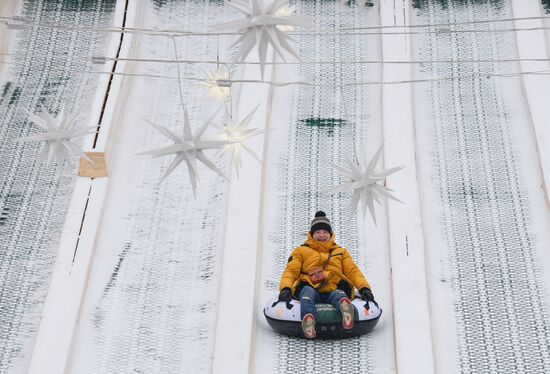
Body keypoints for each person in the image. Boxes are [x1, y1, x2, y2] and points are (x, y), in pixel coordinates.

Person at [278, 211, 376, 339]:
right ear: (311, 235)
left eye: (325, 232)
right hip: (310, 286)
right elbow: (291, 271)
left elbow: (353, 271)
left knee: (338, 293)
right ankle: (308, 320)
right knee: (306, 293)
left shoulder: (340, 252)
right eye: (317, 232)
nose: (321, 235)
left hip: (333, 286)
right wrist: (285, 288)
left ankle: (346, 310)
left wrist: (364, 288)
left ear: (330, 235)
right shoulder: (301, 251)